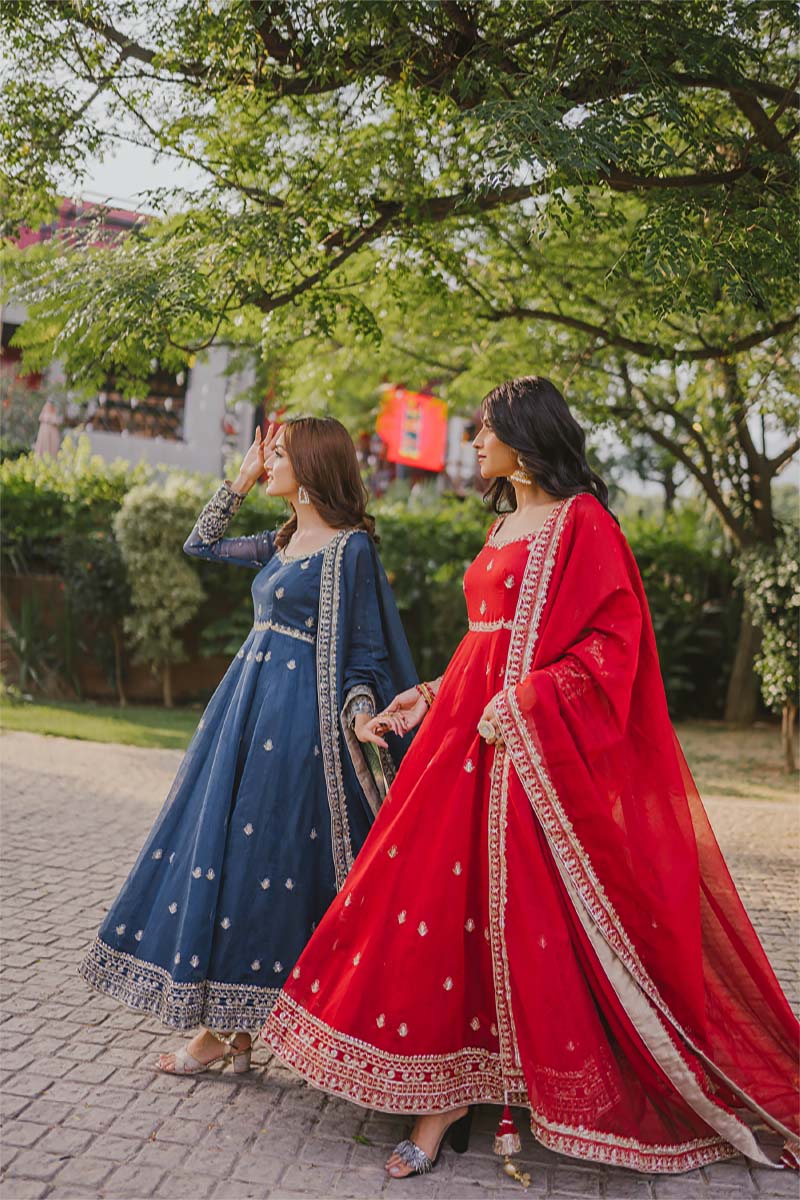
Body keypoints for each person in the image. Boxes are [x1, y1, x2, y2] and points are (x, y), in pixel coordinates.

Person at [261, 377, 799, 1179]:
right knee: (433, 904)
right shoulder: (504, 522)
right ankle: (443, 1092)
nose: (475, 442)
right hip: (461, 735)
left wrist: (529, 701)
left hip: (524, 748)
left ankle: (467, 1099)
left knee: (506, 914)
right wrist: (429, 693)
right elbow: (485, 637)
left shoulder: (585, 523)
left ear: (525, 437)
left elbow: (612, 644)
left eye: (486, 429)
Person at [79, 417, 416, 1074]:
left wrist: (360, 717)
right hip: (243, 715)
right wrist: (238, 480)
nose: (268, 464)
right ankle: (230, 1031)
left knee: (267, 862)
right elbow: (200, 543)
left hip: (298, 728)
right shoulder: (283, 541)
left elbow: (367, 653)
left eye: (279, 455)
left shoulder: (350, 550)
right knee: (229, 856)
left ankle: (240, 1030)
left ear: (312, 468)